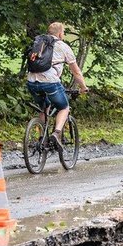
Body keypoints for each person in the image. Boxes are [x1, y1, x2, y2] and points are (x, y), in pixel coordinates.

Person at [26, 22, 89, 150]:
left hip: (32, 82)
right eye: (64, 32)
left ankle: (42, 138)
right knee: (64, 107)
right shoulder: (63, 46)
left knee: (45, 106)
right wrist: (83, 87)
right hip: (50, 82)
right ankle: (56, 133)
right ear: (60, 33)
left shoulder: (39, 43)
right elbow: (76, 72)